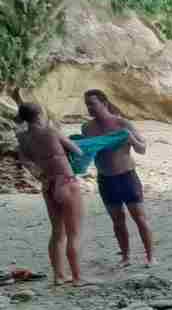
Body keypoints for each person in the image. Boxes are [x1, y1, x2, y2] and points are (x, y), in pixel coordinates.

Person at [15, 103, 85, 285]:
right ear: (39, 115)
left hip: (48, 184)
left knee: (57, 233)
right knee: (74, 233)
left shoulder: (22, 138)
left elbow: (26, 162)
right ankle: (77, 278)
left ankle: (59, 276)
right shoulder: (51, 131)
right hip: (66, 182)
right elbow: (78, 151)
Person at [82, 89, 154, 266]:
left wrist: (131, 139)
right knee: (117, 221)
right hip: (106, 179)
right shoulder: (87, 128)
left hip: (127, 176)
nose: (89, 108)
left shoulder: (122, 123)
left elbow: (142, 149)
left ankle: (151, 257)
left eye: (92, 104)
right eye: (87, 105)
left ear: (104, 103)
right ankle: (125, 257)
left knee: (140, 218)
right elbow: (86, 152)